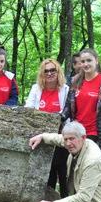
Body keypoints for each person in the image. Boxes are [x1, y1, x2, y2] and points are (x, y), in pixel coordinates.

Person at [62, 49, 101, 176]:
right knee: (78, 168)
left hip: (95, 132)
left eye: (89, 60)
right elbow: (68, 105)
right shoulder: (75, 81)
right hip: (77, 131)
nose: (86, 64)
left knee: (93, 166)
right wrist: (61, 116)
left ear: (96, 61)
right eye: (83, 61)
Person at [25, 58, 71, 194]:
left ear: (58, 72)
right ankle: (48, 201)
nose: (49, 73)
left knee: (63, 171)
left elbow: (68, 111)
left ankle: (65, 201)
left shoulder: (66, 90)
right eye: (46, 71)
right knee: (48, 171)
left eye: (53, 70)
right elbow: (28, 109)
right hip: (41, 136)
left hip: (61, 135)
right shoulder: (36, 89)